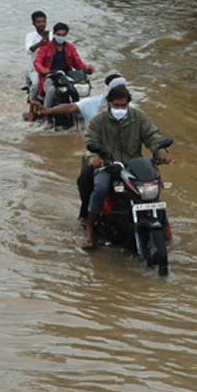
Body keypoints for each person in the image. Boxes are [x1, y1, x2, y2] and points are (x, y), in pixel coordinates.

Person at [81, 85, 171, 248]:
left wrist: (161, 153)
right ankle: (89, 228)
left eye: (124, 106)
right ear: (109, 103)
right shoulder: (98, 121)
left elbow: (152, 136)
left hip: (135, 166)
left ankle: (168, 234)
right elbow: (90, 141)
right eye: (116, 106)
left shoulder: (139, 117)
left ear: (129, 104)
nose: (120, 109)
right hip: (109, 166)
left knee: (154, 191)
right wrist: (95, 158)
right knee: (100, 188)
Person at [29, 74, 128, 221]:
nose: (120, 107)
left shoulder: (132, 110)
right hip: (97, 155)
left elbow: (148, 132)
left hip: (124, 156)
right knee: (86, 180)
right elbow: (70, 108)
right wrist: (48, 111)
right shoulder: (94, 107)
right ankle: (86, 217)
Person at [32, 21, 94, 112]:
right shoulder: (46, 48)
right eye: (58, 34)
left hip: (66, 76)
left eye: (63, 35)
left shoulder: (70, 47)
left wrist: (87, 68)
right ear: (54, 34)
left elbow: (78, 63)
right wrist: (42, 69)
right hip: (50, 75)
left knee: (80, 88)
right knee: (51, 90)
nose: (61, 37)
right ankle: (46, 112)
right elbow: (37, 62)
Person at [24, 10, 49, 103]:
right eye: (38, 22)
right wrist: (40, 44)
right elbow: (28, 51)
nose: (41, 24)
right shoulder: (30, 36)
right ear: (33, 24)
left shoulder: (51, 35)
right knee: (36, 84)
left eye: (43, 21)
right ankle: (32, 107)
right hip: (35, 69)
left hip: (50, 67)